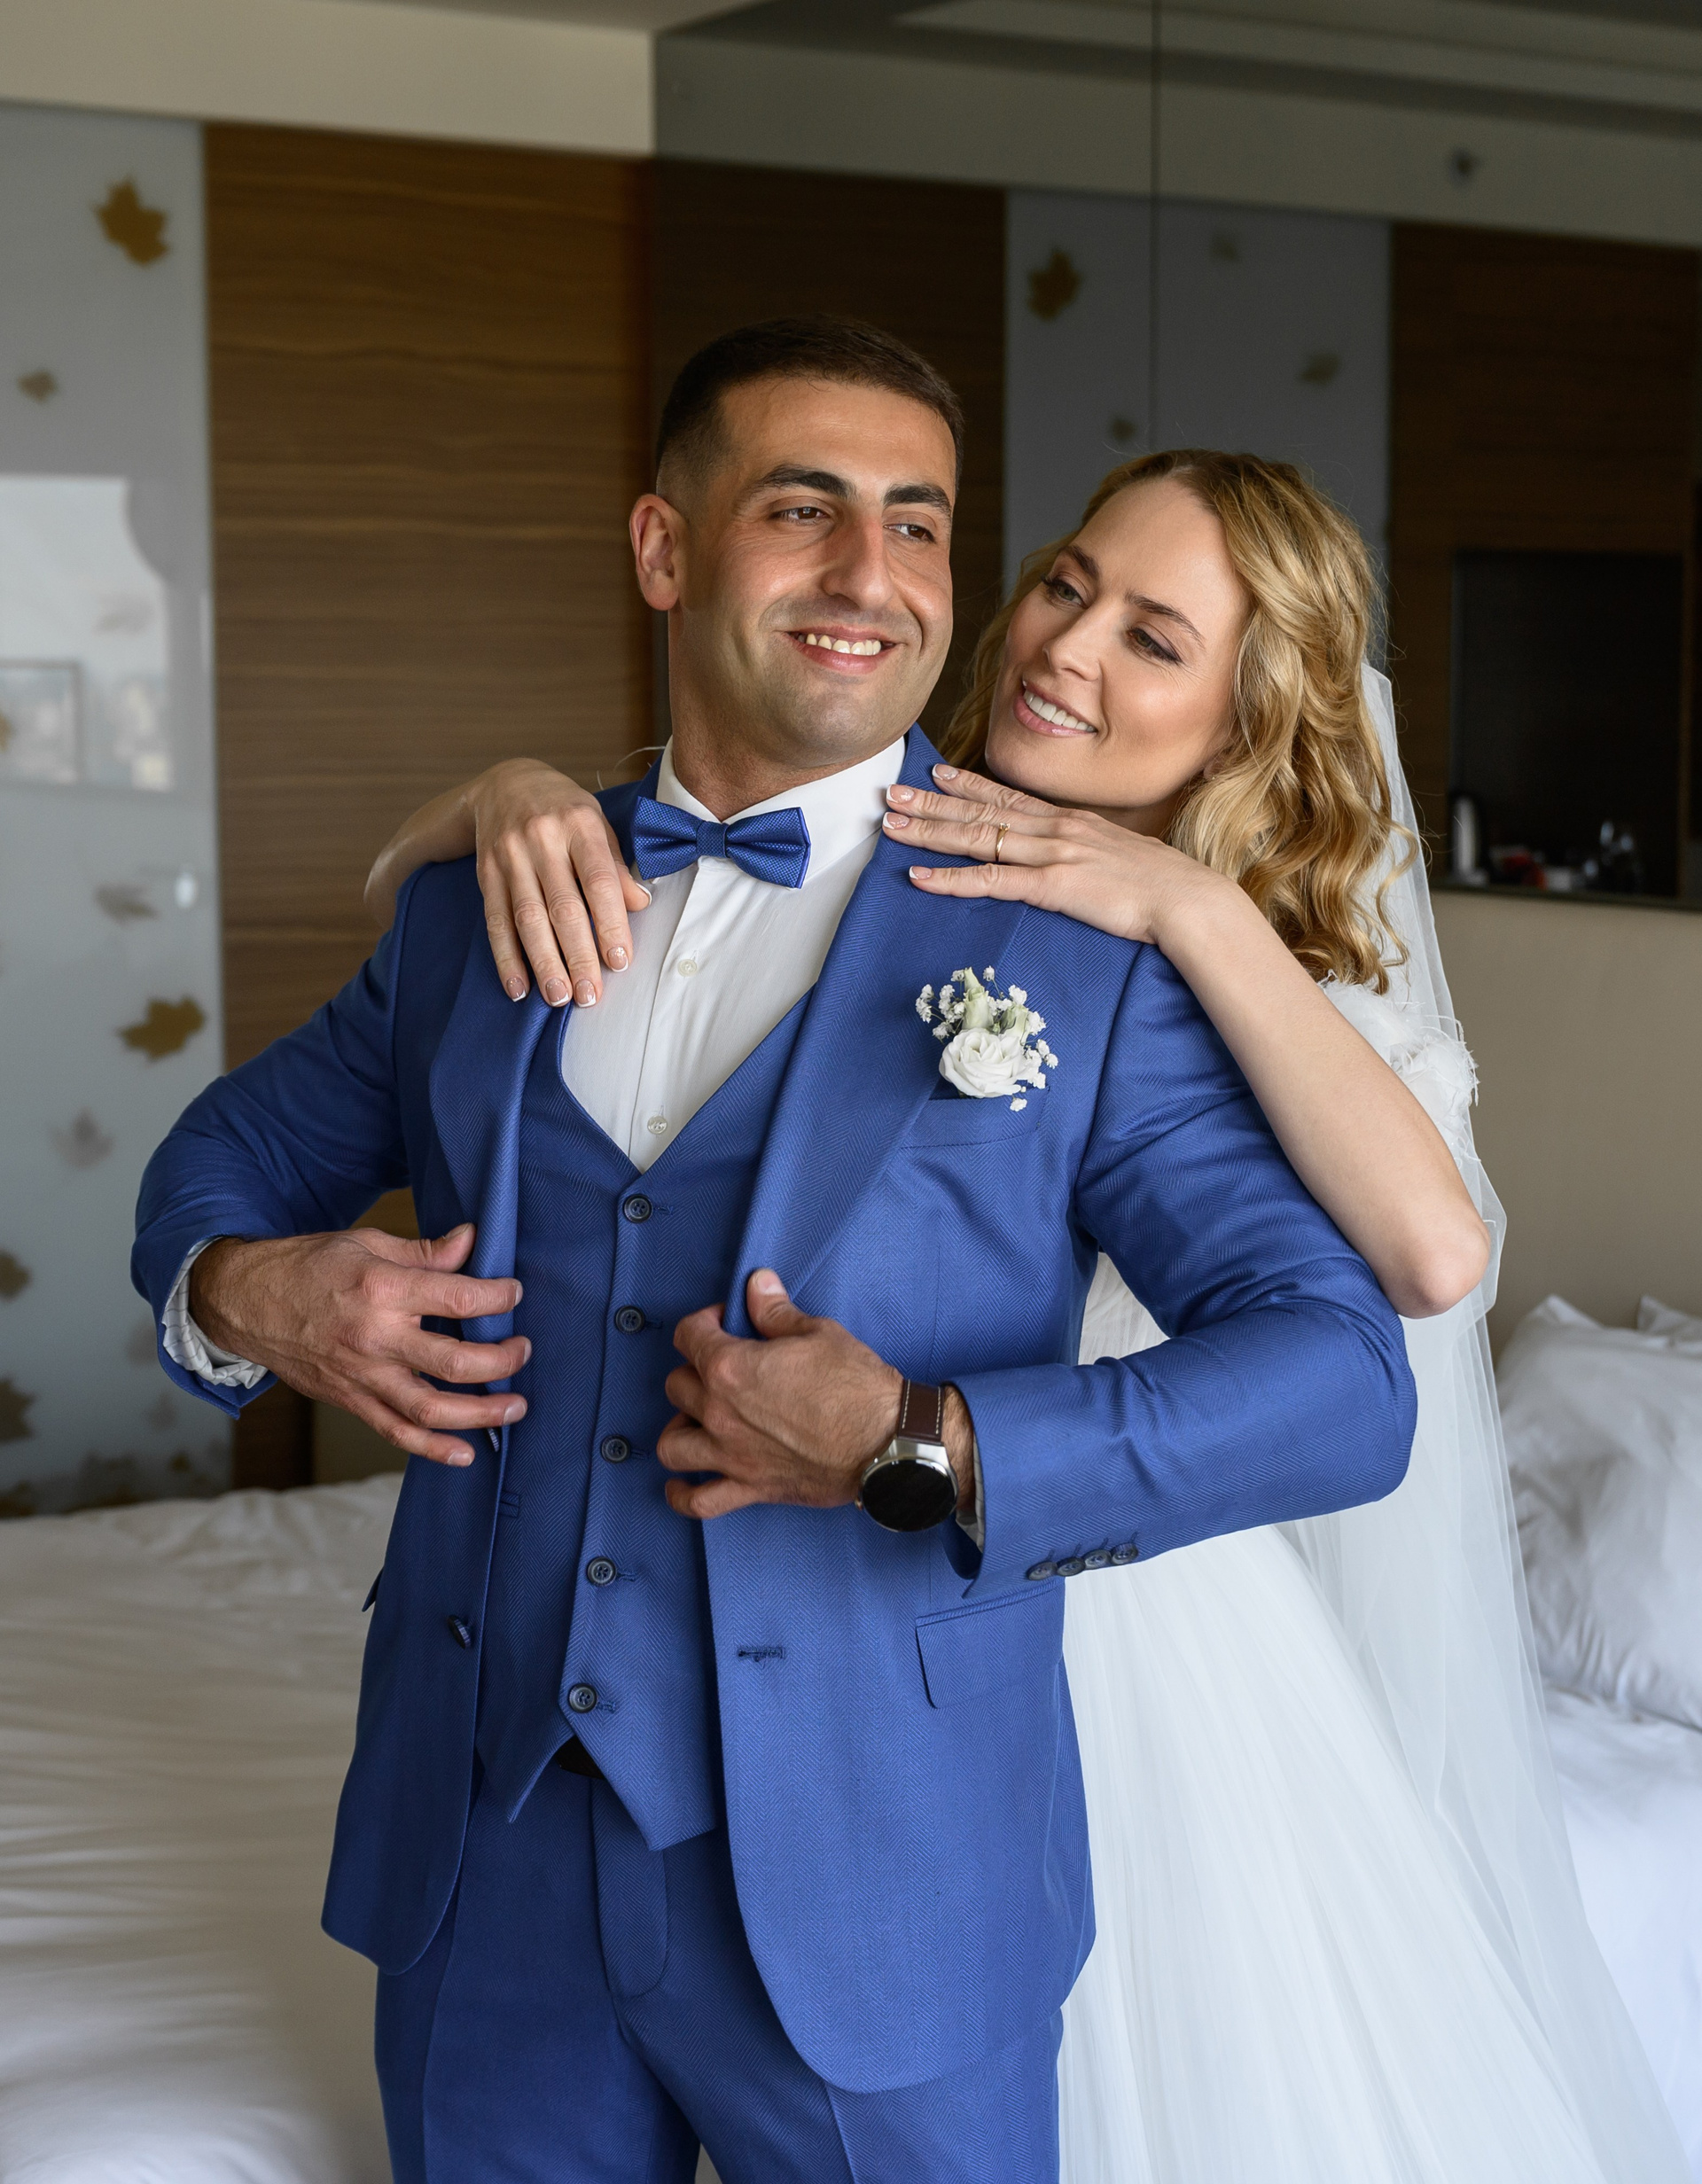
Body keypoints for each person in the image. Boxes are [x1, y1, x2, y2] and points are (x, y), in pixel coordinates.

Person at [133, 318, 1418, 2184]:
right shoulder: (479, 903)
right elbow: (224, 1161)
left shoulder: (1094, 960)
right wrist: (253, 1292)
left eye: (921, 524)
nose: (870, 574)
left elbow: (1344, 1377)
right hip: (484, 1862)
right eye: (802, 510)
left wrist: (926, 1438)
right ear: (665, 549)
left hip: (886, 1888)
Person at [371, 442, 1692, 2183]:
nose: (1068, 645)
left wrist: (1182, 902)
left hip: (1106, 1579)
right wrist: (514, 789)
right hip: (755, 1602)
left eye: (1155, 636)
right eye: (1071, 583)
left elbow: (1435, 1265)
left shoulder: (1236, 967)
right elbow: (513, 881)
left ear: (1245, 716)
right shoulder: (894, 845)